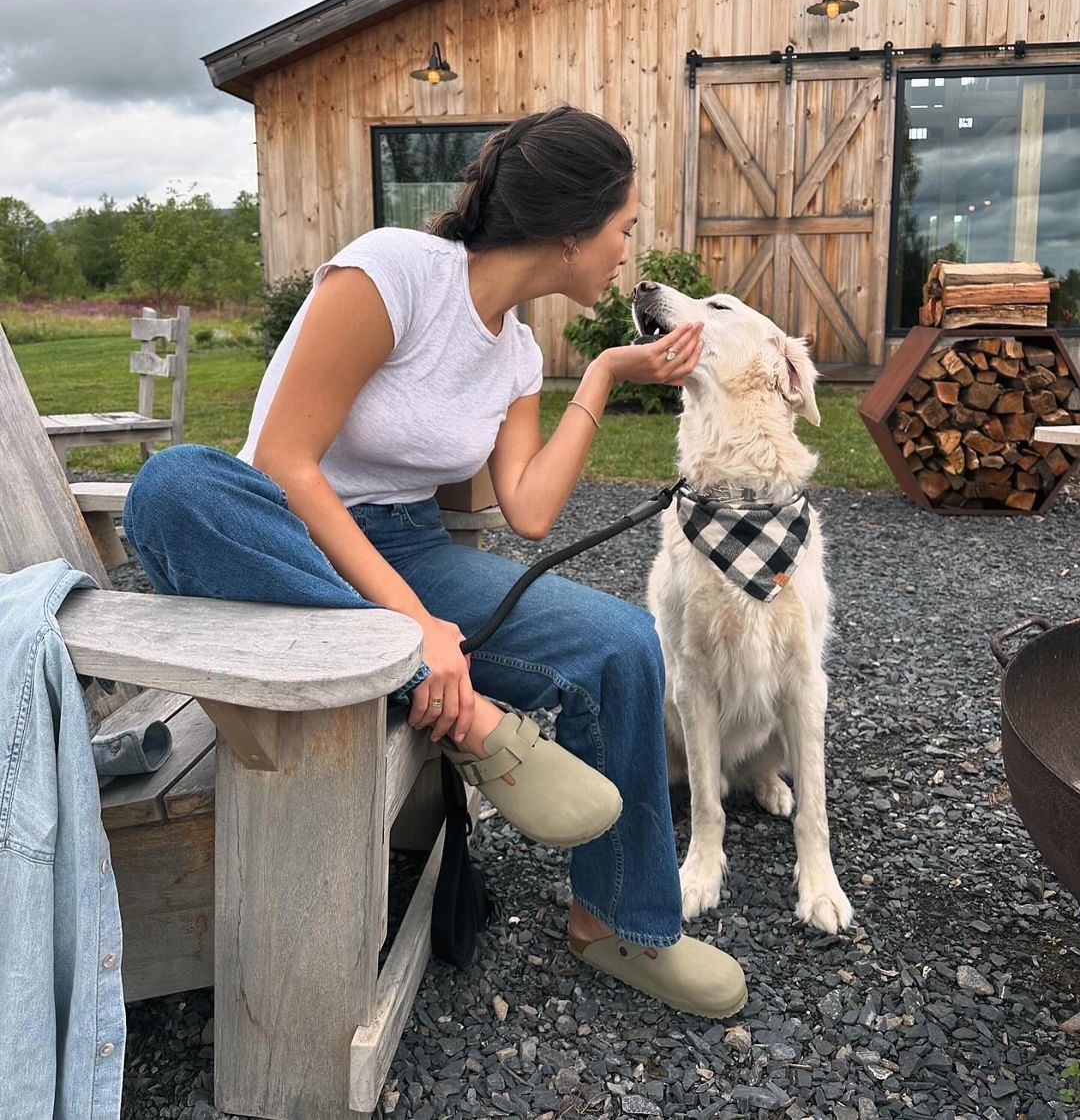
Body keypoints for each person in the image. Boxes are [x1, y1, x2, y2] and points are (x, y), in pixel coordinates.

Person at [122, 104, 746, 1019]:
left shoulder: (522, 353)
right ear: (569, 229)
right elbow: (286, 464)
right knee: (172, 486)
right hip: (278, 537)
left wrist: (608, 375)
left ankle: (620, 923)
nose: (626, 252)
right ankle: (471, 718)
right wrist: (414, 630)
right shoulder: (392, 272)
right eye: (622, 228)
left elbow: (527, 511)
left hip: (409, 547)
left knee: (622, 642)